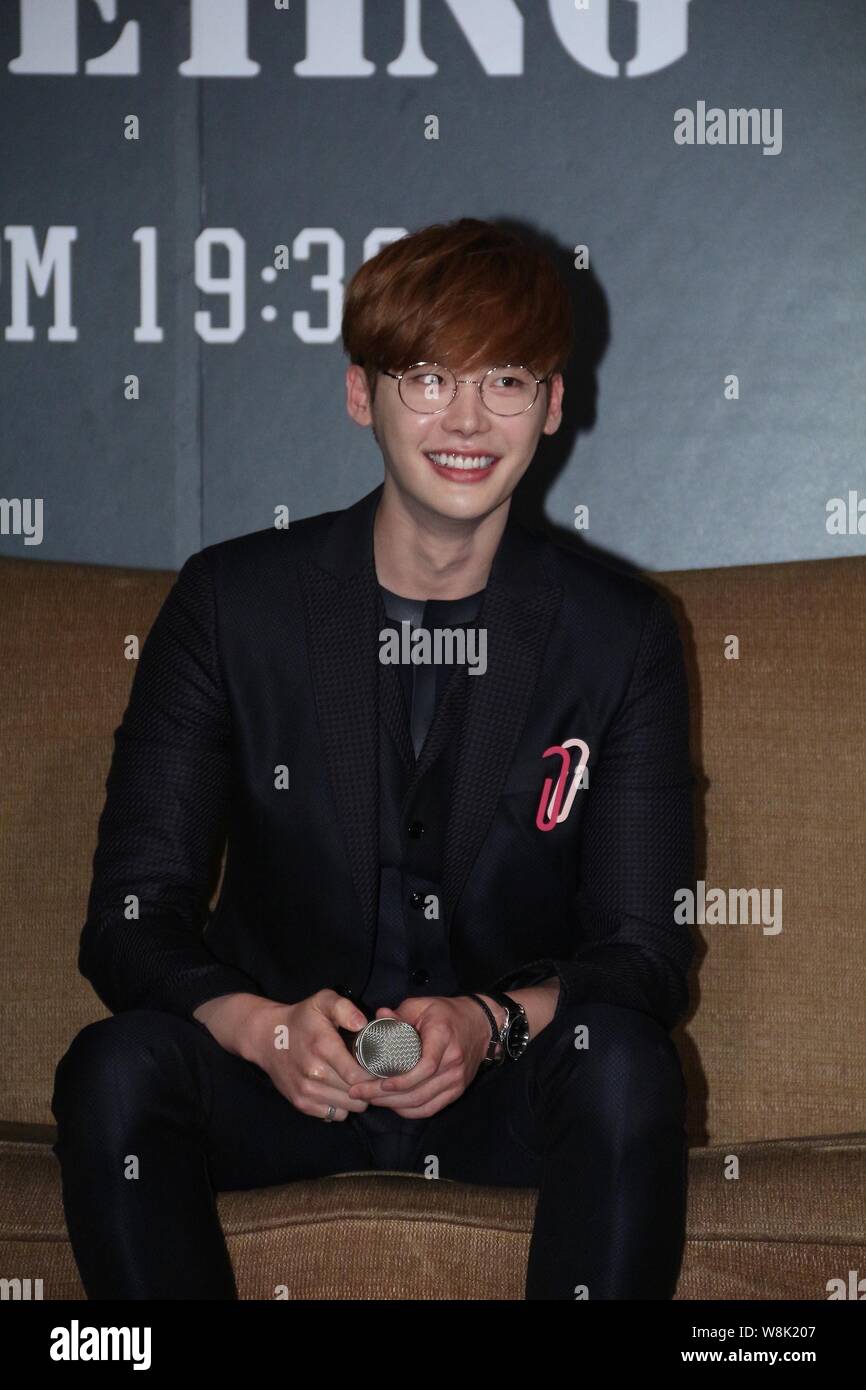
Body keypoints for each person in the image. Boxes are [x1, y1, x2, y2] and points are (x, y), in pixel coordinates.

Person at [51, 217, 695, 1300]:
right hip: (271, 1090)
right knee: (112, 1069)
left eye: (501, 379)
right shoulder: (229, 604)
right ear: (362, 396)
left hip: (498, 1099)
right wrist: (258, 1029)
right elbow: (128, 917)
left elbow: (641, 957)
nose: (464, 418)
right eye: (425, 377)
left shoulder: (616, 633)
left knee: (626, 1064)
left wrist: (486, 1023)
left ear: (549, 405)